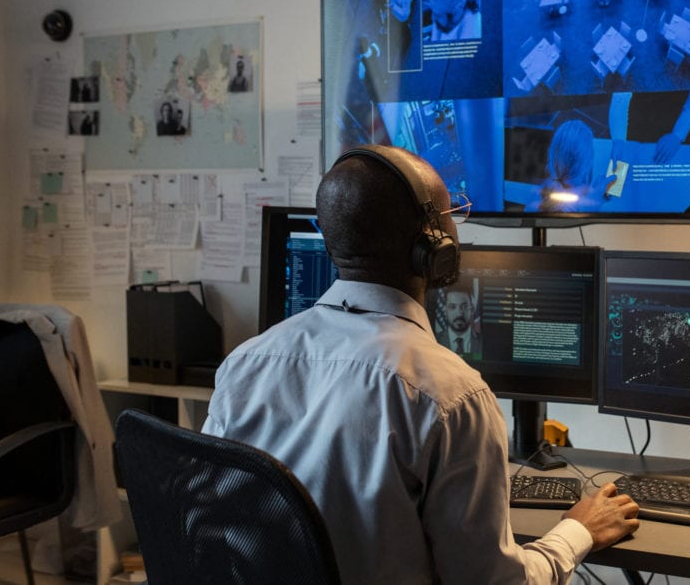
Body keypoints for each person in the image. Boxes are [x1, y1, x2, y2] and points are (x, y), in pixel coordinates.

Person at [203, 145, 639, 582]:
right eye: (453, 215)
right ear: (435, 246)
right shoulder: (449, 396)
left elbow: (213, 526)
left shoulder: (245, 364)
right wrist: (577, 531)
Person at [436, 280, 482, 360]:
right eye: (452, 307)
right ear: (445, 311)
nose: (459, 314)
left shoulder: (482, 342)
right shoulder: (434, 340)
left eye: (464, 306)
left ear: (472, 309)